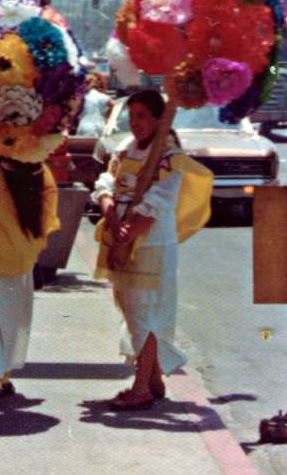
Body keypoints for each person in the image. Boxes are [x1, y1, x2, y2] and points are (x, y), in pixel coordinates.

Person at [92, 89, 211, 410]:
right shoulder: (125, 149)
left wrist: (128, 234)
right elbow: (106, 181)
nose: (136, 123)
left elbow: (158, 202)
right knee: (131, 310)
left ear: (159, 119)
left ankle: (142, 386)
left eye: (143, 116)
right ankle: (154, 379)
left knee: (145, 312)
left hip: (152, 245)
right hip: (120, 237)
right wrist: (111, 218)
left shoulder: (170, 158)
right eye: (132, 116)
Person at [0, 153, 60, 408]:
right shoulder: (37, 168)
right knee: (11, 319)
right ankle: (1, 375)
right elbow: (47, 212)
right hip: (20, 256)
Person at [75, 71, 113, 136]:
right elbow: (113, 105)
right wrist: (106, 116)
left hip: (84, 126)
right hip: (100, 126)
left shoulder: (83, 96)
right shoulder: (103, 97)